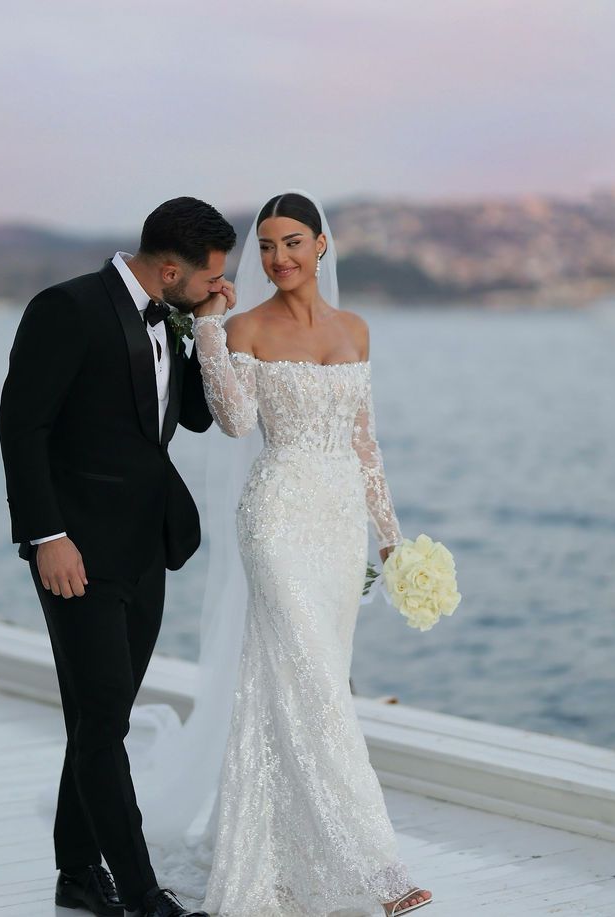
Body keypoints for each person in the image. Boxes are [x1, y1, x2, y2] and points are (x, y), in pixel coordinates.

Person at [189, 190, 433, 915]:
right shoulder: (245, 327)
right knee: (319, 688)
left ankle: (286, 855)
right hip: (276, 516)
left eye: (292, 242)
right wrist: (208, 330)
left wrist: (390, 540)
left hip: (337, 525)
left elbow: (365, 443)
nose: (278, 258)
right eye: (265, 246)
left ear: (321, 245)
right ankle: (378, 867)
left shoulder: (356, 329)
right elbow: (234, 422)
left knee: (299, 683)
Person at [0, 196, 236, 917]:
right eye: (208, 281)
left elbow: (191, 415)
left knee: (104, 718)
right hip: (75, 552)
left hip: (144, 548)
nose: (217, 289)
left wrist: (204, 325)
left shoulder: (174, 313)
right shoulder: (64, 309)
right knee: (102, 718)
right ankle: (141, 895)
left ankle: (76, 871)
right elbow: (21, 426)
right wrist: (47, 537)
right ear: (169, 269)